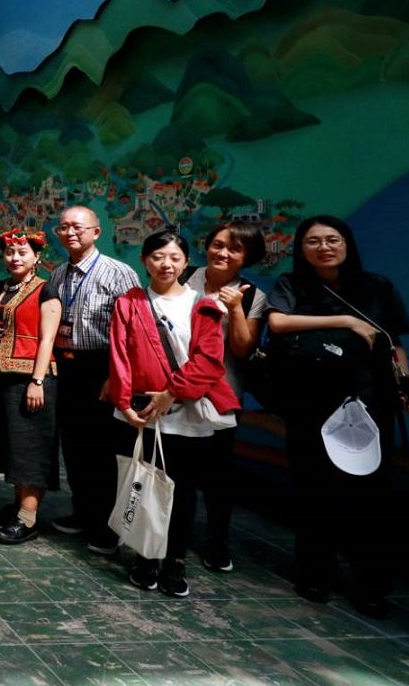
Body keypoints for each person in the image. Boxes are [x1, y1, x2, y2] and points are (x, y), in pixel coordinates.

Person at [266, 215, 409, 619]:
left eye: (332, 239)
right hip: (309, 401)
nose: (324, 247)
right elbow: (277, 322)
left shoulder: (378, 287)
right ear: (302, 248)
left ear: (347, 244)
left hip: (369, 401)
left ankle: (371, 585)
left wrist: (405, 385)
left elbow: (394, 344)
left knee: (371, 497)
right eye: (313, 241)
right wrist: (346, 320)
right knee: (314, 490)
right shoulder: (291, 285)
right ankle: (314, 574)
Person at [107, 229, 238, 598]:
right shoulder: (128, 303)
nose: (166, 264)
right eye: (157, 257)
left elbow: (210, 361)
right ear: (145, 261)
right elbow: (119, 357)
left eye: (175, 258)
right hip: (141, 412)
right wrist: (125, 405)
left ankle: (175, 560)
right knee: (144, 484)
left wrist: (171, 393)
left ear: (185, 262)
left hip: (186, 413)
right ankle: (147, 554)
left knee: (181, 491)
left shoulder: (203, 305)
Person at [41, 204, 139, 553]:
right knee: (75, 445)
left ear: (96, 232)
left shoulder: (119, 273)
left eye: (78, 227)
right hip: (67, 368)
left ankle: (109, 526)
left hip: (103, 369)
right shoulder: (57, 275)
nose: (70, 232)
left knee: (104, 450)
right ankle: (82, 511)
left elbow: (132, 332)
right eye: (63, 227)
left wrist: (116, 376)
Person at [183, 221, 268, 573]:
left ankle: (217, 542)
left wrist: (234, 308)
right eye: (217, 244)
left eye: (234, 249)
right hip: (173, 390)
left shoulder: (252, 295)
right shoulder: (183, 275)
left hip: (222, 395)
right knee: (175, 471)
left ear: (246, 256)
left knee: (218, 475)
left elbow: (243, 349)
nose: (222, 253)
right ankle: (171, 535)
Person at [0, 229, 59, 545]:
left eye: (22, 252)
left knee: (30, 447)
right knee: (11, 446)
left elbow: (47, 338)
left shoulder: (46, 291)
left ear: (37, 256)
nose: (15, 258)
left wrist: (37, 381)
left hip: (30, 380)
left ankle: (28, 517)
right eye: (10, 253)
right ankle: (19, 504)